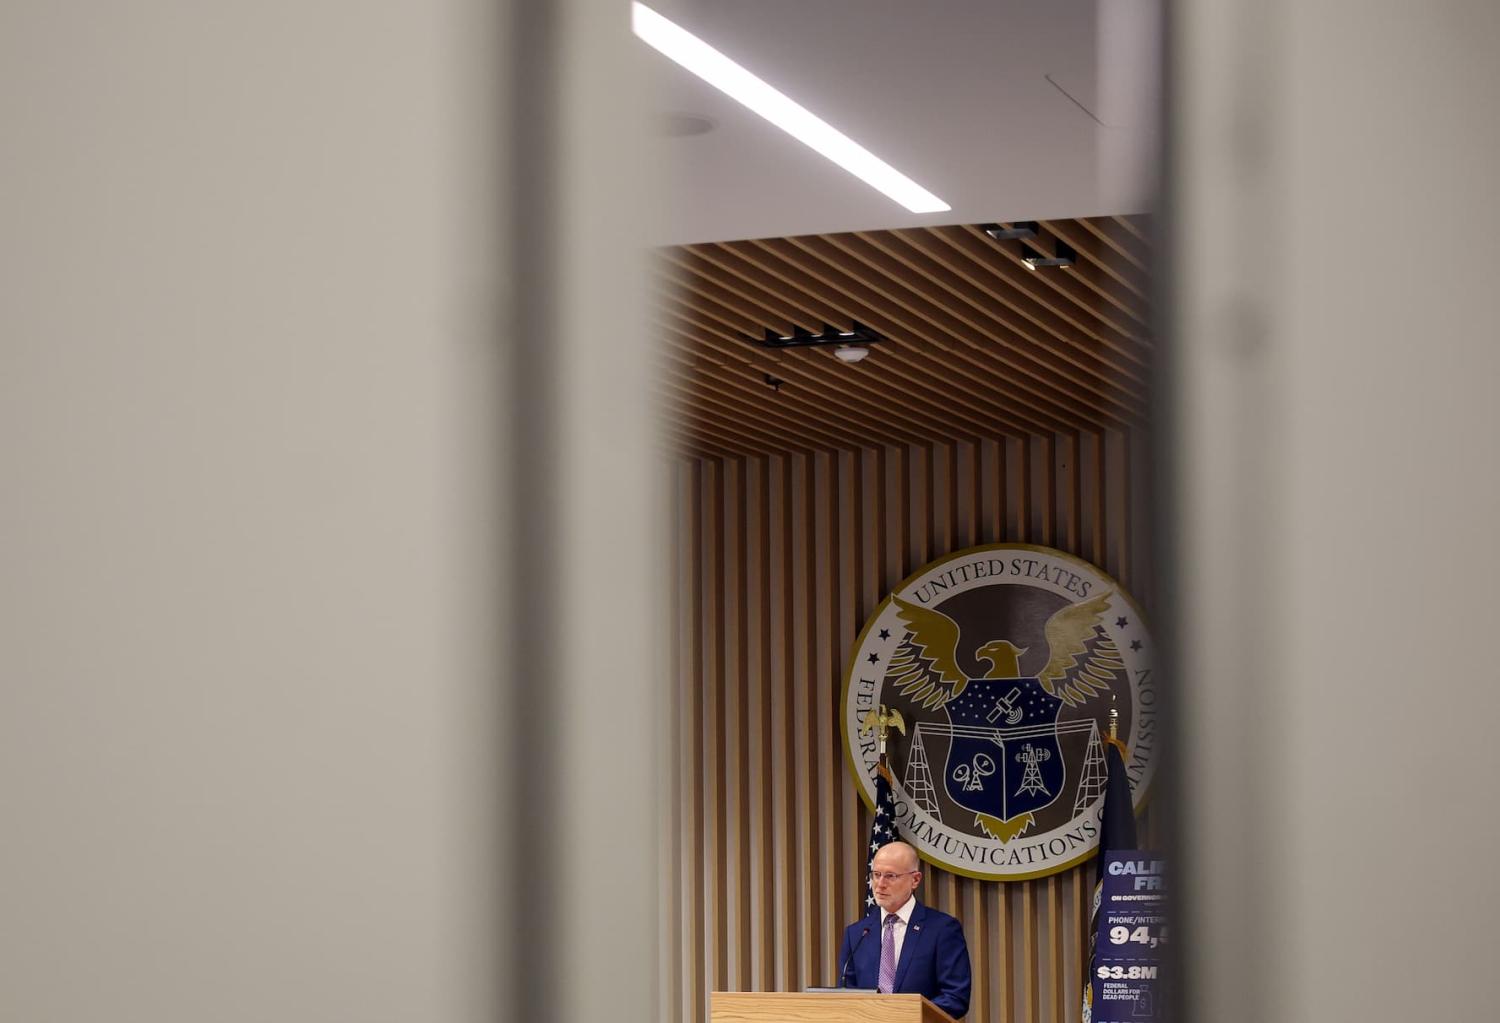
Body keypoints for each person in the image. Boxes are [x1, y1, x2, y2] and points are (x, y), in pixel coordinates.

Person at [837, 841, 972, 1019]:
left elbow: (955, 997)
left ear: (915, 880)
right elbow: (847, 996)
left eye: (890, 876)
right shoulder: (856, 934)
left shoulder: (942, 929)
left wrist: (902, 1015)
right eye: (876, 875)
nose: (880, 884)